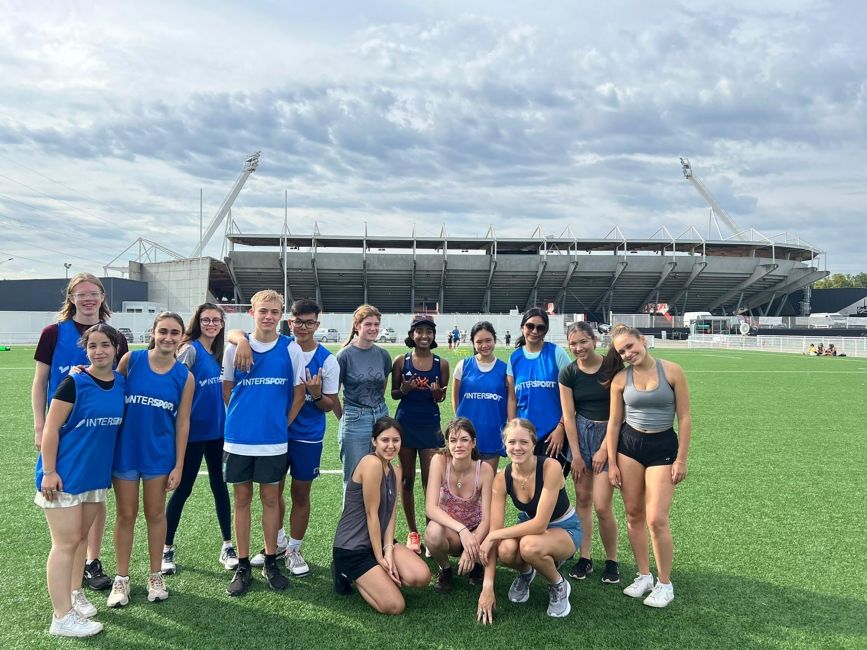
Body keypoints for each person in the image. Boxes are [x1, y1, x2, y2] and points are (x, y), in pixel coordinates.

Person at [31, 273, 129, 592]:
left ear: (103, 297)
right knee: (65, 510)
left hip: (97, 436)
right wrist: (40, 425)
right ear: (71, 297)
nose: (88, 299)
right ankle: (70, 570)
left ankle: (92, 560)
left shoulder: (116, 336)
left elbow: (121, 381)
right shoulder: (52, 333)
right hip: (63, 433)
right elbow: (40, 382)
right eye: (81, 294)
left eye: (94, 293)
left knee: (95, 496)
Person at [236, 299, 339, 576]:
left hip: (307, 436)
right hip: (273, 436)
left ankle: (294, 547)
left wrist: (315, 394)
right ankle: (277, 543)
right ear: (289, 321)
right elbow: (238, 337)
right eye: (298, 321)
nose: (303, 327)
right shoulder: (280, 349)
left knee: (301, 493)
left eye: (310, 322)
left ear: (317, 324)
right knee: (272, 492)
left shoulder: (327, 359)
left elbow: (329, 404)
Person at [35, 324, 126, 637]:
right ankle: (61, 617)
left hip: (94, 477)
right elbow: (50, 429)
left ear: (116, 349)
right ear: (86, 350)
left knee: (82, 540)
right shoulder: (74, 382)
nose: (99, 351)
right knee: (65, 543)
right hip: (64, 476)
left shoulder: (120, 383)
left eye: (105, 345)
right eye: (93, 346)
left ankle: (74, 595)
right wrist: (49, 471)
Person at [220, 290, 305, 597]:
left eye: (275, 311)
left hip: (273, 442)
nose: (269, 316)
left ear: (281, 315)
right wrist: (244, 419)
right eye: (263, 311)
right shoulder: (235, 349)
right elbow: (227, 390)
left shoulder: (291, 348)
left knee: (271, 500)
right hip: (239, 441)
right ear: (252, 313)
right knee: (241, 500)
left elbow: (298, 395)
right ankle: (243, 565)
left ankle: (271, 561)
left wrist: (281, 424)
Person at [108, 312, 194, 608]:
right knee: (125, 515)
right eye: (163, 331)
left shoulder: (185, 376)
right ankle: (121, 579)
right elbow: (109, 390)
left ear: (182, 337)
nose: (168, 338)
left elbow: (183, 423)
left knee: (156, 514)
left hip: (159, 456)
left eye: (174, 333)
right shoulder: (131, 361)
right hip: (126, 453)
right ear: (153, 333)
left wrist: (179, 464)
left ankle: (156, 575)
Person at [605, 324, 693, 608]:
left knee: (656, 518)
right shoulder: (620, 379)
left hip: (663, 448)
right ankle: (644, 575)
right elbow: (614, 423)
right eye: (622, 351)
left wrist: (681, 458)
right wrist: (611, 462)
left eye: (631, 346)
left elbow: (685, 418)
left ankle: (665, 583)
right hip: (629, 448)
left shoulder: (672, 371)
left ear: (642, 340)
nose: (628, 353)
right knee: (633, 514)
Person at [477, 419, 580, 622]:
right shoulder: (502, 478)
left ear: (534, 444)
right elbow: (495, 532)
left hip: (564, 528)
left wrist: (493, 535)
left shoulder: (551, 467)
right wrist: (487, 587)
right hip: (530, 530)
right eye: (512, 442)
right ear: (505, 446)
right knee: (505, 549)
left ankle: (558, 584)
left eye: (524, 442)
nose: (517, 447)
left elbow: (540, 524)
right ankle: (526, 573)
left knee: (528, 546)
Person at [161, 303, 236, 576]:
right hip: (192, 435)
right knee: (183, 489)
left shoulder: (219, 352)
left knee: (220, 487)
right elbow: (173, 381)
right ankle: (166, 548)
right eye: (206, 320)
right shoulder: (189, 349)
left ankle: (228, 545)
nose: (211, 324)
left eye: (216, 320)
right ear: (198, 321)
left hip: (218, 433)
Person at [332, 416, 431, 614]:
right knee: (395, 606)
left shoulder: (396, 471)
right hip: (353, 547)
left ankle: (375, 575)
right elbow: (371, 514)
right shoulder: (371, 464)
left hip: (378, 541)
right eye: (385, 440)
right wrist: (380, 558)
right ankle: (344, 572)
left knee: (421, 576)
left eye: (396, 440)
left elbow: (391, 515)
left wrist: (388, 550)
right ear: (374, 441)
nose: (391, 446)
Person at [558, 322, 620, 584]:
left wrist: (605, 449)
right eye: (573, 343)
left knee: (603, 505)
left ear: (594, 340)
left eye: (583, 341)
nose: (578, 348)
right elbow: (569, 416)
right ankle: (585, 557)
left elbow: (620, 412)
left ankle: (612, 560)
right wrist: (577, 454)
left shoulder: (613, 367)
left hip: (610, 435)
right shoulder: (568, 372)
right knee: (582, 501)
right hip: (580, 437)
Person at [391, 315, 449, 552]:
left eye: (429, 331)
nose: (424, 336)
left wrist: (437, 395)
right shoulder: (401, 361)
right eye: (419, 331)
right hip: (405, 425)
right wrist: (404, 389)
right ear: (412, 334)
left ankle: (430, 531)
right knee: (406, 480)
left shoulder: (441, 363)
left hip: (430, 427)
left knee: (430, 482)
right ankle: (413, 532)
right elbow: (394, 393)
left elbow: (442, 397)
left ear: (434, 336)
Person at [424, 418, 494, 593]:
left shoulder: (484, 470)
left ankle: (476, 563)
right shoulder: (439, 461)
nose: (458, 445)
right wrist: (462, 530)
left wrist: (472, 543)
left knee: (488, 537)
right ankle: (445, 569)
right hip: (451, 531)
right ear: (447, 444)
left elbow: (487, 520)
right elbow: (431, 508)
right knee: (433, 531)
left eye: (464, 439)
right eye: (453, 440)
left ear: (473, 443)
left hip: (477, 532)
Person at [336, 305, 392, 492]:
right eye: (368, 324)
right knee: (353, 479)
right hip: (354, 418)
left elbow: (382, 385)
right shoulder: (344, 356)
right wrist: (345, 417)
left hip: (381, 416)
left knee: (380, 474)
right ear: (357, 326)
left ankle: (375, 521)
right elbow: (333, 392)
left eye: (376, 324)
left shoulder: (383, 355)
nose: (373, 328)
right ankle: (352, 522)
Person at [507, 308, 571, 471]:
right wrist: (513, 429)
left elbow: (572, 395)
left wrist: (561, 428)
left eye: (540, 327)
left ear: (546, 330)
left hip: (553, 436)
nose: (535, 331)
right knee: (525, 487)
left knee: (551, 487)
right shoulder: (514, 358)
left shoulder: (556, 353)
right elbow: (512, 398)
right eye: (530, 326)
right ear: (523, 327)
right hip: (525, 436)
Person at [451, 321, 511, 471]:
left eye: (488, 340)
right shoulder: (463, 365)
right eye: (479, 341)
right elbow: (455, 397)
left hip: (492, 433)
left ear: (494, 340)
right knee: (465, 485)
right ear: (472, 343)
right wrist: (459, 424)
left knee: (487, 485)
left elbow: (511, 399)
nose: (484, 345)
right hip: (467, 434)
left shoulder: (505, 369)